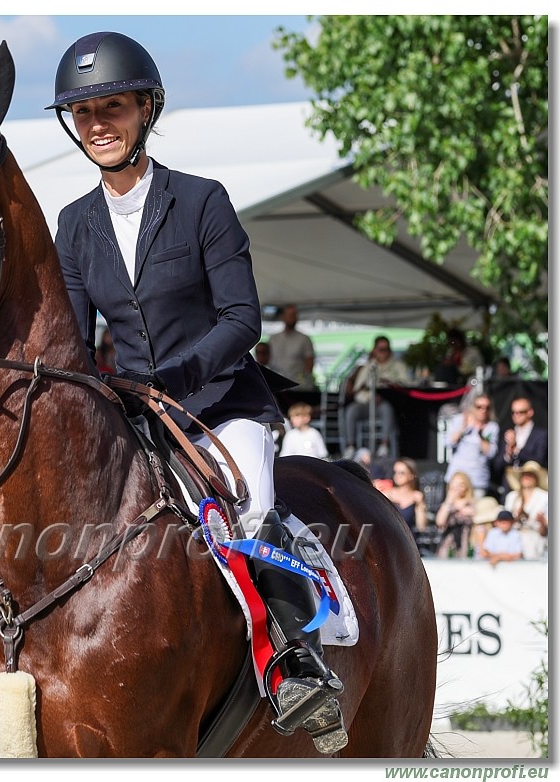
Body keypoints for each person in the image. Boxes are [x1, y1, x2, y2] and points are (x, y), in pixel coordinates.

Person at [47, 31, 345, 751]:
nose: (98, 125)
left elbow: (243, 319)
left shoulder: (202, 201)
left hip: (220, 406)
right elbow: (72, 339)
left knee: (251, 511)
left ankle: (291, 666)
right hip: (133, 416)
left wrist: (169, 379)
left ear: (146, 110)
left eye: (112, 107)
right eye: (84, 113)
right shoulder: (74, 224)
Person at [341, 336, 410, 458]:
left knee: (387, 409)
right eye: (380, 349)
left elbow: (406, 384)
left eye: (386, 349)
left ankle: (384, 445)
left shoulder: (398, 365)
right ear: (374, 350)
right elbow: (357, 389)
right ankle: (350, 446)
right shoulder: (368, 366)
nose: (383, 352)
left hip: (385, 404)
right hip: (365, 403)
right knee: (351, 410)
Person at [443, 394, 498, 497]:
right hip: (456, 478)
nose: (483, 410)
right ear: (473, 407)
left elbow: (491, 453)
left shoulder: (492, 427)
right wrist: (464, 428)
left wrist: (480, 434)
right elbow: (448, 443)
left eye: (487, 407)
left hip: (477, 480)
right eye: (479, 407)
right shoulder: (460, 420)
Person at [493, 396, 548, 499]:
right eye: (513, 412)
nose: (516, 415)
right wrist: (508, 452)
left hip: (532, 489)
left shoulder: (541, 435)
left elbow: (539, 460)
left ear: (530, 412)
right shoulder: (508, 435)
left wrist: (517, 450)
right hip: (510, 488)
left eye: (520, 412)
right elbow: (497, 465)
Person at [503, 461, 548, 561]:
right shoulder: (512, 497)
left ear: (536, 478)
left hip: (536, 540)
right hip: (513, 539)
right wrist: (515, 519)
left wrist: (542, 522)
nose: (526, 477)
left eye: (530, 475)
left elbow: (546, 526)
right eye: (524, 475)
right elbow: (505, 520)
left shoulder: (545, 497)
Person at [268, 304, 316, 389]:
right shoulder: (273, 339)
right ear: (283, 317)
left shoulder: (304, 339)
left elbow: (309, 363)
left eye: (294, 315)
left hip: (297, 386)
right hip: (277, 385)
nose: (292, 318)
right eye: (290, 315)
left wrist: (303, 383)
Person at [434, 472, 476, 559]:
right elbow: (439, 522)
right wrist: (449, 502)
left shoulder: (472, 503)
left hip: (467, 545)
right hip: (448, 547)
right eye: (454, 484)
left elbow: (478, 519)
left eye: (461, 484)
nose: (457, 488)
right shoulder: (446, 505)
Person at [381, 458, 428, 534]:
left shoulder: (416, 497)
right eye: (395, 472)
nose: (397, 475)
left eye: (401, 473)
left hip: (408, 540)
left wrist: (421, 504)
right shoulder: (387, 495)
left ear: (411, 475)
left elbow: (421, 527)